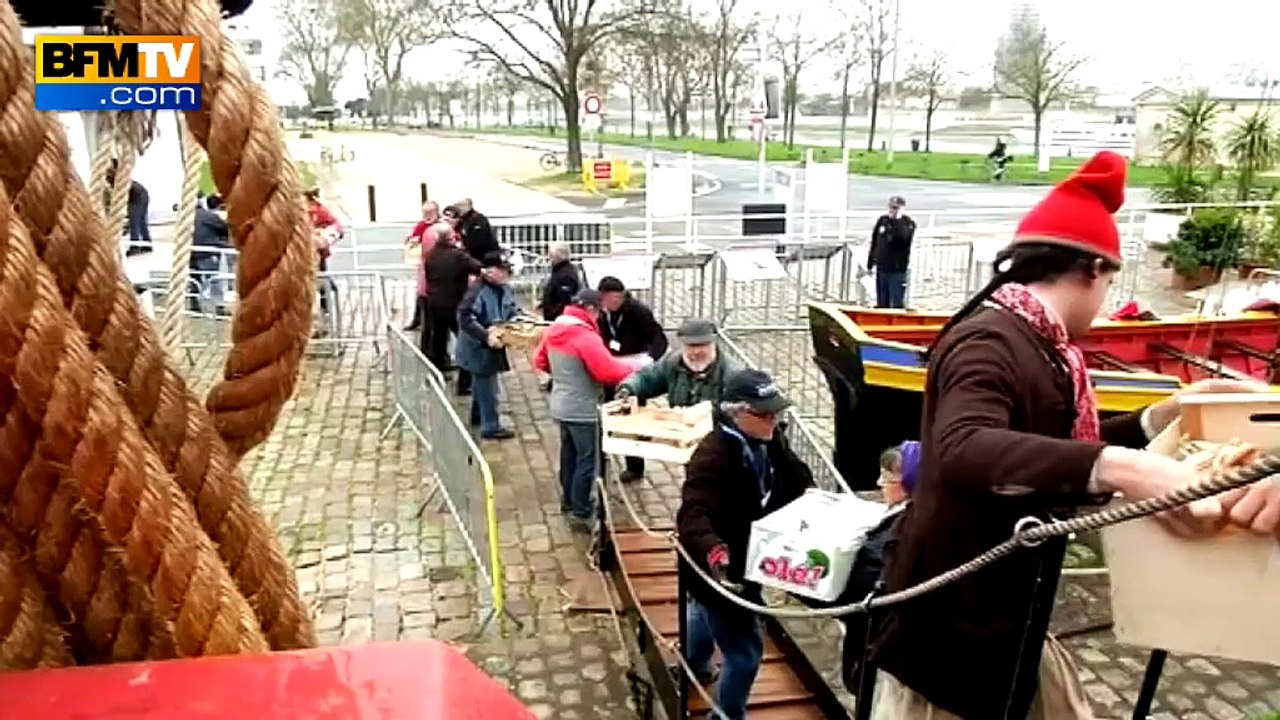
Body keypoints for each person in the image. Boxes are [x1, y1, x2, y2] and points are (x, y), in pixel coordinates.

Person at [867, 151, 1280, 720]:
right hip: (952, 640)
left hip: (1007, 618)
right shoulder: (989, 342)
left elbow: (1054, 446)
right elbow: (963, 448)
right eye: (1110, 281)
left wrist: (1163, 417)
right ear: (1092, 270)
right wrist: (1134, 469)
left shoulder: (1036, 342)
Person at [678, 369, 816, 720]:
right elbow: (694, 513)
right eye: (765, 413)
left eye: (776, 412)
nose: (774, 419)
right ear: (737, 413)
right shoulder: (711, 457)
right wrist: (714, 550)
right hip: (724, 569)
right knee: (745, 652)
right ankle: (727, 716)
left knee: (699, 610)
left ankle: (693, 663)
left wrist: (819, 504)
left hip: (748, 554)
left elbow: (797, 476)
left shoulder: (771, 439)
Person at [532, 289, 636, 531]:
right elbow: (606, 372)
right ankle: (582, 510)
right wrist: (632, 368)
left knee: (569, 456)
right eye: (598, 310)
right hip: (583, 409)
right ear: (591, 309)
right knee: (587, 460)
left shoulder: (555, 329)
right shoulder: (585, 337)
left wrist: (565, 376)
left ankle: (568, 501)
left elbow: (540, 361)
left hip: (560, 404)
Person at [597, 276, 669, 482]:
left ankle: (635, 465)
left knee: (632, 417)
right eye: (610, 298)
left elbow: (658, 337)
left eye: (618, 298)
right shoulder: (601, 314)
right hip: (610, 367)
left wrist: (650, 359)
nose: (614, 302)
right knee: (607, 413)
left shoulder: (638, 312)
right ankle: (603, 457)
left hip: (634, 370)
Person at [456, 251, 519, 440]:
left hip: (494, 344)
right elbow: (465, 317)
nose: (506, 274)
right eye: (502, 270)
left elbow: (512, 310)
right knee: (488, 387)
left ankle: (478, 416)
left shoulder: (504, 289)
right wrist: (485, 335)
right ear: (489, 271)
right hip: (477, 347)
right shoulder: (477, 291)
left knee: (481, 385)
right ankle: (490, 426)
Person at [616, 319, 744, 408]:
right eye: (691, 346)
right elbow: (646, 378)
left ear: (714, 343)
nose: (696, 351)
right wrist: (628, 389)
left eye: (702, 345)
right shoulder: (672, 362)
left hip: (719, 438)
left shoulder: (732, 373)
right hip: (681, 431)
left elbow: (738, 410)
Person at [424, 222, 482, 377]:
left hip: (434, 301)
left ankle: (438, 369)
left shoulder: (430, 255)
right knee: (465, 338)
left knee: (439, 338)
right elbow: (477, 267)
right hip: (454, 302)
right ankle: (465, 379)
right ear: (451, 238)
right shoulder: (458, 256)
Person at [305, 188, 344, 334]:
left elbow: (337, 228)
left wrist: (324, 237)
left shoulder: (318, 211)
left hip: (315, 256)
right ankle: (319, 322)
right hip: (306, 258)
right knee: (318, 288)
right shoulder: (310, 211)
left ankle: (322, 322)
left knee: (320, 288)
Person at [867, 196, 916, 309]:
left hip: (897, 269)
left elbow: (904, 238)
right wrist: (871, 261)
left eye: (895, 208)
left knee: (897, 300)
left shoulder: (907, 223)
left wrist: (896, 220)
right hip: (882, 267)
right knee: (882, 300)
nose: (892, 210)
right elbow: (875, 241)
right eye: (890, 207)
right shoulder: (883, 220)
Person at [190, 193, 232, 313]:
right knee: (214, 279)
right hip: (206, 253)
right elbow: (224, 228)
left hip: (192, 253)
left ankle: (194, 305)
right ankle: (219, 307)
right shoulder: (207, 216)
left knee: (194, 279)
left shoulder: (189, 217)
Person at [405, 201, 441, 332]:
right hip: (424, 264)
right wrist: (411, 241)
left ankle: (432, 323)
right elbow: (410, 241)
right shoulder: (420, 226)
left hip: (440, 265)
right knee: (422, 292)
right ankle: (418, 319)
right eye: (425, 213)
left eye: (430, 213)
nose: (427, 216)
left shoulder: (442, 226)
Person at [539, 243, 581, 322]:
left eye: (550, 255)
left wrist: (552, 313)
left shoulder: (565, 275)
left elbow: (564, 301)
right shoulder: (560, 271)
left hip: (560, 320)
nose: (548, 258)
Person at [454, 198, 500, 263]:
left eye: (460, 206)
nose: (458, 209)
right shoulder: (462, 220)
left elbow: (480, 241)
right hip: (473, 255)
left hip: (484, 256)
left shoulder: (478, 219)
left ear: (468, 206)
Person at [126, 179, 152, 256]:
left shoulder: (115, 178)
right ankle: (147, 245)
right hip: (142, 194)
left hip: (137, 195)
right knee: (141, 221)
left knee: (134, 222)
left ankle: (135, 247)